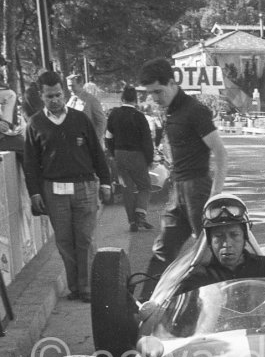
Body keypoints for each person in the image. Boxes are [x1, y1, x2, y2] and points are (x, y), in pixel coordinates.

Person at [23, 70, 111, 302]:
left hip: (84, 187)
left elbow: (96, 152)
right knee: (64, 241)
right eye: (49, 96)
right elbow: (30, 163)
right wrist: (34, 193)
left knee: (85, 238)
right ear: (41, 96)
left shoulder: (80, 118)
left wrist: (106, 181)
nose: (55, 100)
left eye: (58, 95)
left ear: (64, 93)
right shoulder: (35, 124)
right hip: (54, 191)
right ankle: (75, 287)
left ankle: (88, 288)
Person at [139, 57, 228, 271]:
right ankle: (145, 302)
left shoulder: (195, 110)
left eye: (158, 91)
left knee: (209, 249)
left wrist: (215, 194)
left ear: (172, 83)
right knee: (163, 250)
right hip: (178, 189)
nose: (154, 97)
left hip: (198, 188)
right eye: (150, 92)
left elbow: (220, 153)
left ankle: (221, 300)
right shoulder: (172, 111)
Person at [176, 193, 265, 293]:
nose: (227, 244)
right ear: (209, 240)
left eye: (234, 235)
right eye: (218, 236)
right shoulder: (197, 277)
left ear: (245, 237)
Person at [105, 85, 155, 231]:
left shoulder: (114, 114)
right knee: (145, 186)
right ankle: (140, 215)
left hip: (119, 154)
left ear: (122, 98)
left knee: (127, 188)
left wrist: (113, 152)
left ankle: (132, 222)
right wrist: (150, 159)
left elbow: (108, 137)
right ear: (136, 99)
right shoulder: (139, 117)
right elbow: (147, 141)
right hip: (137, 155)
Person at [66, 73, 106, 143]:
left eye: (72, 86)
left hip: (87, 143)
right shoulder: (71, 100)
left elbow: (101, 121)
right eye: (68, 86)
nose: (70, 89)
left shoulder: (91, 100)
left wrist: (93, 140)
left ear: (81, 84)